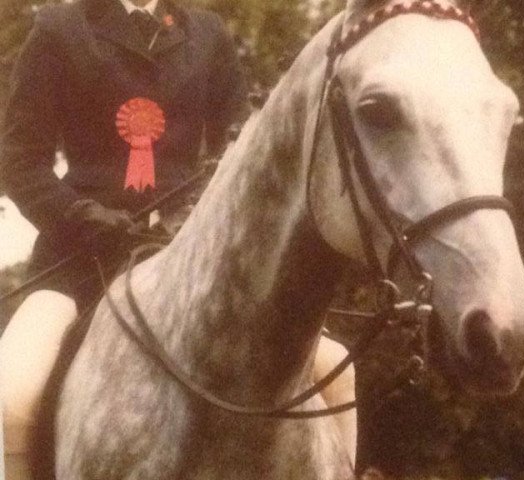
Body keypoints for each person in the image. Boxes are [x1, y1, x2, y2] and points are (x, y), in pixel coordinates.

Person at [0, 0, 357, 477]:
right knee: (15, 392)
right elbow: (21, 159)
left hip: (193, 255)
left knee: (338, 373)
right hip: (79, 257)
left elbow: (243, 148)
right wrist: (79, 214)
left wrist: (193, 213)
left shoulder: (206, 34)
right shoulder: (60, 28)